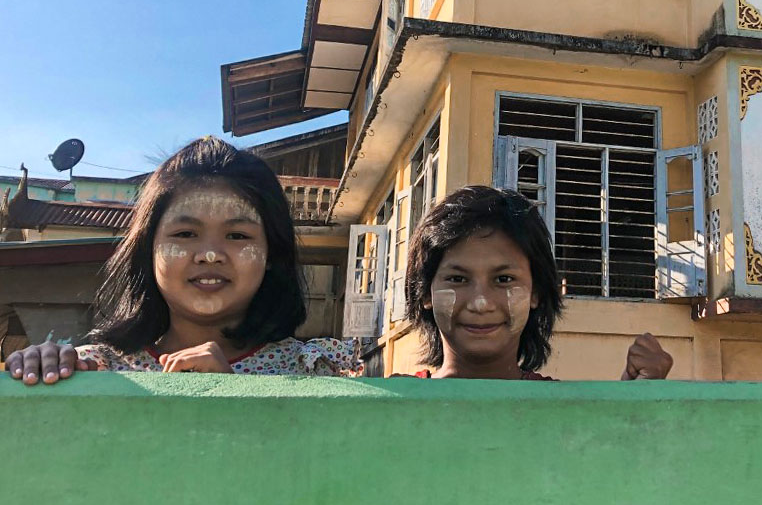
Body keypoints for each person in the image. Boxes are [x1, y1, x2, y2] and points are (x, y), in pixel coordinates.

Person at [5, 137, 362, 382]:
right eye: (185, 234)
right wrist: (37, 374)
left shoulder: (316, 371)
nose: (209, 254)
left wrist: (235, 400)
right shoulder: (96, 369)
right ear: (149, 249)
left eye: (237, 236)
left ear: (271, 254)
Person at [399, 185, 673, 380]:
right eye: (457, 279)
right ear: (426, 293)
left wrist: (638, 396)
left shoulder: (561, 411)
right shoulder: (394, 406)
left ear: (536, 292)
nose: (480, 303)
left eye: (504, 279)